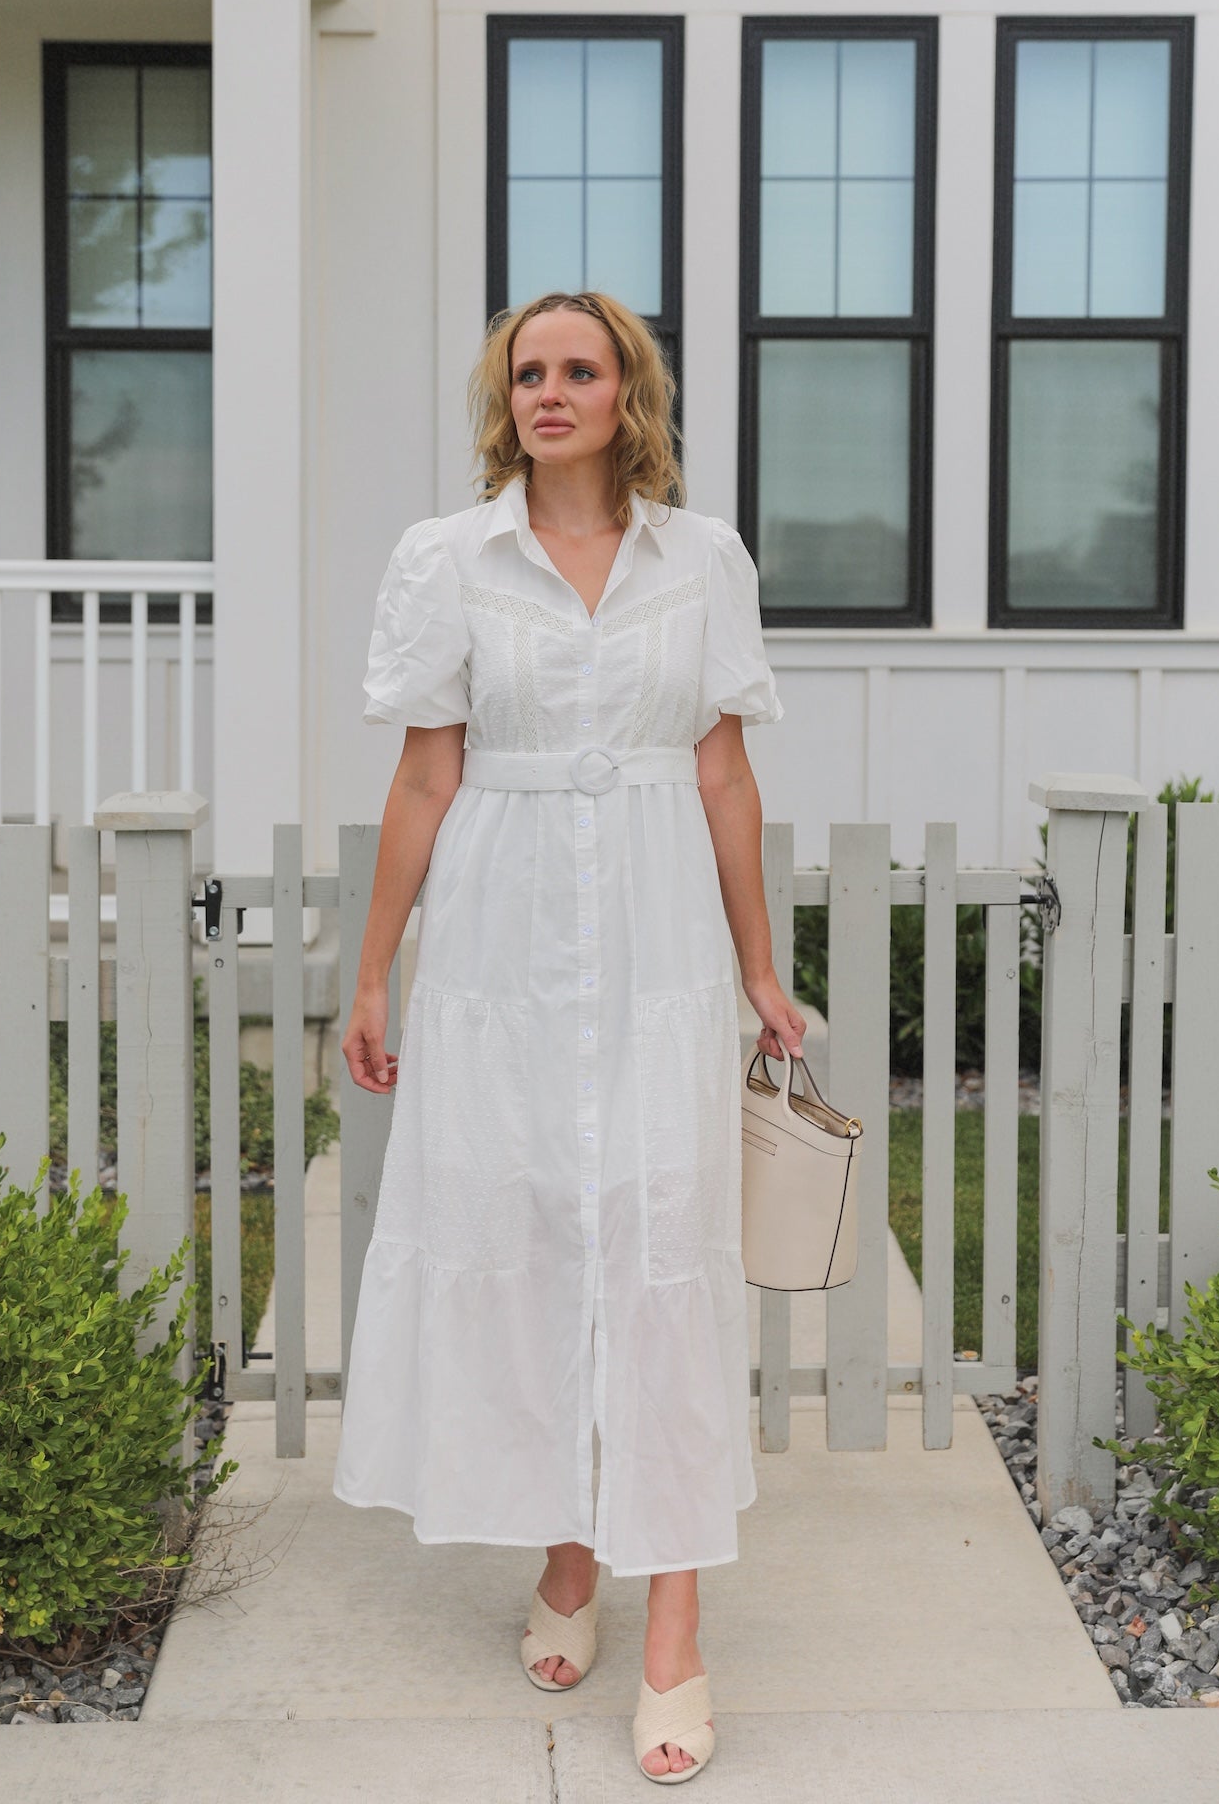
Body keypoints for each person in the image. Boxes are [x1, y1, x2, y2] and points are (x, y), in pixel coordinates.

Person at [334, 289, 805, 1784]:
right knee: (537, 1232)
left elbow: (723, 776)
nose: (550, 391)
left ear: (626, 395)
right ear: (506, 399)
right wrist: (371, 975)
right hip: (501, 937)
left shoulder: (703, 557)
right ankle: (566, 1549)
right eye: (527, 372)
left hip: (661, 933)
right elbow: (424, 780)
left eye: (579, 370)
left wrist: (760, 970)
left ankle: (674, 1623)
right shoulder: (445, 560)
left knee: (662, 1242)